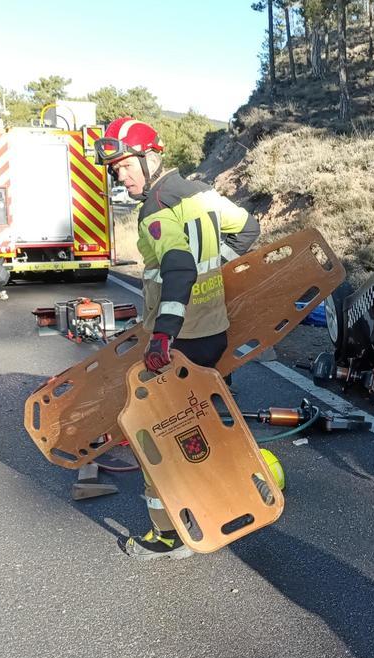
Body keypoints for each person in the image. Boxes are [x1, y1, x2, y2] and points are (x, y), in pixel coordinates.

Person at [94, 117, 260, 560]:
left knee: (159, 435)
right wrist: (215, 270)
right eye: (115, 171)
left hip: (180, 339)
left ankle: (167, 535)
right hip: (213, 332)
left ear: (151, 158)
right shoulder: (201, 192)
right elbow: (248, 230)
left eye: (126, 166)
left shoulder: (156, 209)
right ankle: (225, 501)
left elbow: (179, 268)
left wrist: (162, 336)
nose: (121, 177)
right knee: (203, 422)